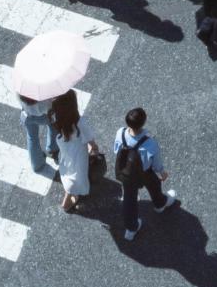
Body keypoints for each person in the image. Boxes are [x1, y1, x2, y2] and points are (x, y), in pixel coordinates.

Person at [110, 107, 177, 241]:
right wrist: (162, 172)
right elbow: (156, 163)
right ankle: (160, 204)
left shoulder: (120, 133)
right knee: (154, 184)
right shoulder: (150, 143)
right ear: (143, 123)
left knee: (129, 199)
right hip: (144, 172)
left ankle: (131, 228)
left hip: (126, 171)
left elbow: (116, 150)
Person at [49, 95, 97, 212]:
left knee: (68, 166)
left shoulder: (55, 117)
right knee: (77, 173)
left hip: (64, 146)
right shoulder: (79, 122)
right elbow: (90, 138)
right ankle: (67, 200)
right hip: (78, 151)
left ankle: (70, 192)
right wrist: (94, 148)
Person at [17, 93, 58, 176]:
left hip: (26, 116)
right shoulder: (44, 101)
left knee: (32, 137)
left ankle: (37, 164)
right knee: (53, 126)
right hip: (43, 117)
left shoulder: (20, 92)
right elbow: (49, 110)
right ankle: (52, 148)